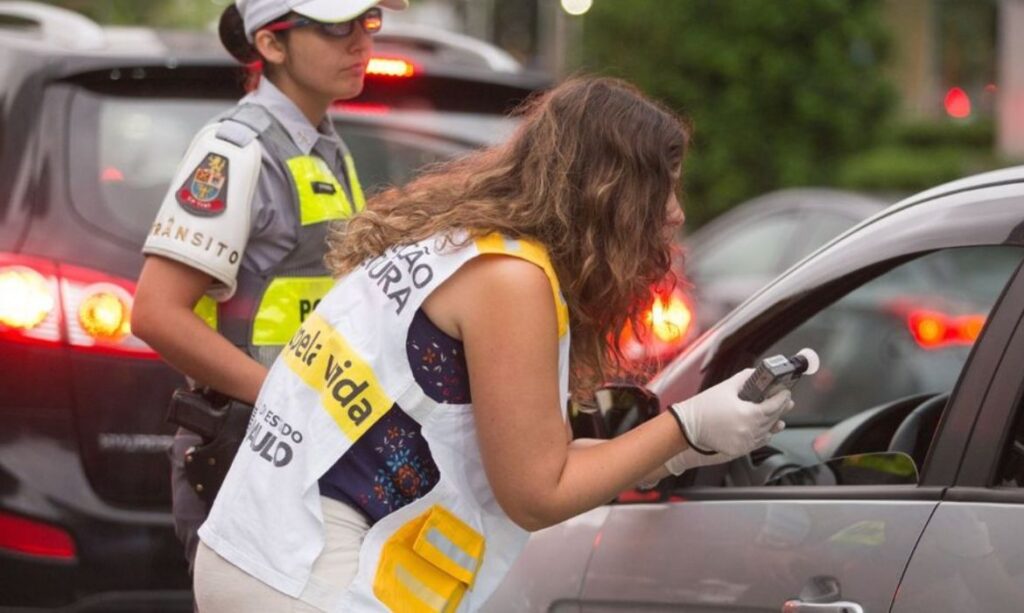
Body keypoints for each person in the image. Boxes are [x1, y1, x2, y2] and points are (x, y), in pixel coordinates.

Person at [193, 76, 795, 612]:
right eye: (662, 190)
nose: (674, 214)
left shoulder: (474, 247)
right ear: (612, 193)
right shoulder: (513, 281)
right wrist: (683, 427)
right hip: (311, 577)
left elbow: (534, 461)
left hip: (264, 550)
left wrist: (684, 450)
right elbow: (535, 495)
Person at [132, 0, 408, 575]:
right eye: (336, 27)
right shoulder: (236, 149)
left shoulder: (324, 143)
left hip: (302, 449)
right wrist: (288, 402)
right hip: (247, 452)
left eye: (369, 22)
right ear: (271, 44)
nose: (360, 42)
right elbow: (156, 313)